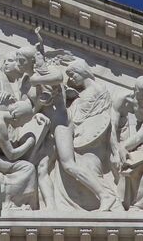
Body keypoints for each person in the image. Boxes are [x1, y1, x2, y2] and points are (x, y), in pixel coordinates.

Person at [50, 60, 122, 211]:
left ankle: (106, 196)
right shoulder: (80, 95)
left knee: (74, 166)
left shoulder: (99, 90)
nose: (71, 78)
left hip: (84, 136)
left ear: (82, 70)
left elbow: (108, 121)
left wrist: (116, 151)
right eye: (69, 75)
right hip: (71, 131)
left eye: (73, 74)